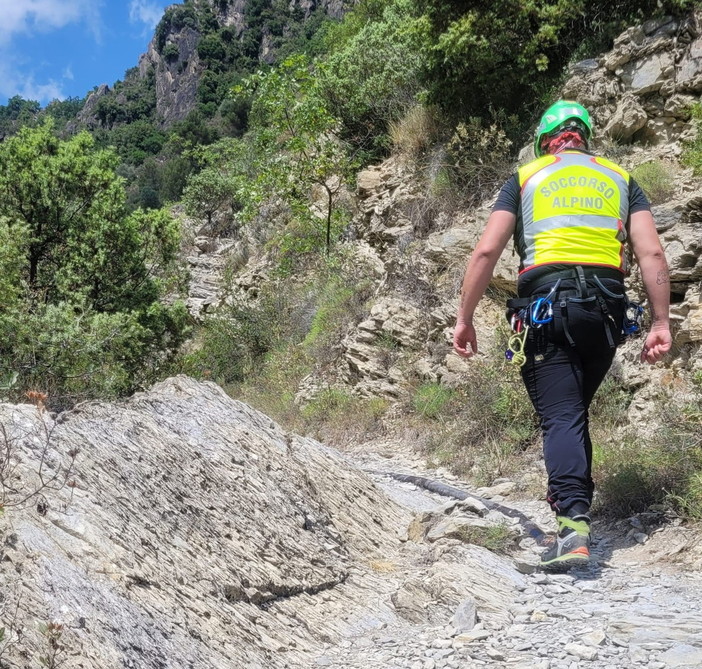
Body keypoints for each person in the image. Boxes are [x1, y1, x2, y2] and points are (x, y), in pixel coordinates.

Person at [452, 100, 672, 570]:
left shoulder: (528, 176)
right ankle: (575, 511)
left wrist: (465, 318)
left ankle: (573, 526)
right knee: (572, 414)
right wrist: (659, 323)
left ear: (545, 141)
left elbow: (487, 250)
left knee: (562, 417)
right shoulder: (620, 178)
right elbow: (651, 253)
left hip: (547, 313)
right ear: (585, 137)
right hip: (607, 317)